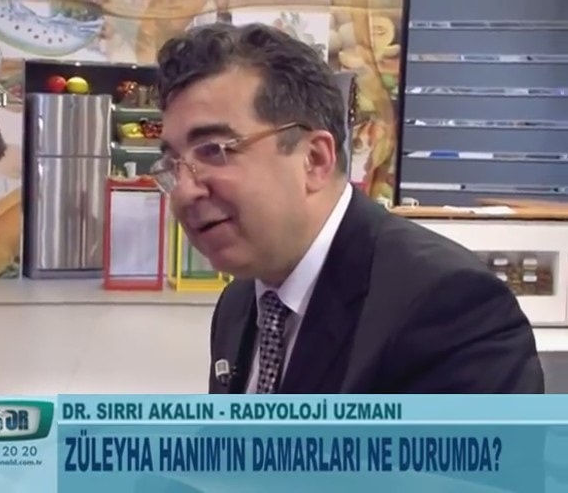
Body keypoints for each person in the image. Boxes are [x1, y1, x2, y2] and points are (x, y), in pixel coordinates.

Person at [151, 22, 545, 394]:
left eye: (214, 150)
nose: (184, 192)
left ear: (314, 159)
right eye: (172, 163)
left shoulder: (450, 307)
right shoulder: (240, 304)